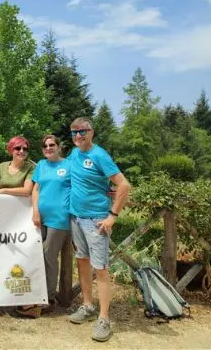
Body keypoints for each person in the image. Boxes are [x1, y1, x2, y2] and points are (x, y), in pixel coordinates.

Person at [65, 117, 131, 342]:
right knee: (82, 262)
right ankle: (87, 305)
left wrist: (112, 216)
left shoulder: (100, 155)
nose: (78, 136)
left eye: (82, 131)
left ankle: (104, 318)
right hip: (76, 218)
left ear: (91, 132)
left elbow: (123, 185)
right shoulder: (75, 154)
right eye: (74, 133)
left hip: (96, 221)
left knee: (100, 269)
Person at [14, 133, 72, 319]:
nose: (48, 148)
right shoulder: (41, 165)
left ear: (59, 146)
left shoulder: (68, 165)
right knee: (38, 255)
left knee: (48, 255)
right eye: (45, 146)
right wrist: (36, 212)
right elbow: (36, 189)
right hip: (41, 217)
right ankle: (39, 294)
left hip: (60, 218)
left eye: (52, 145)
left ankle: (48, 298)